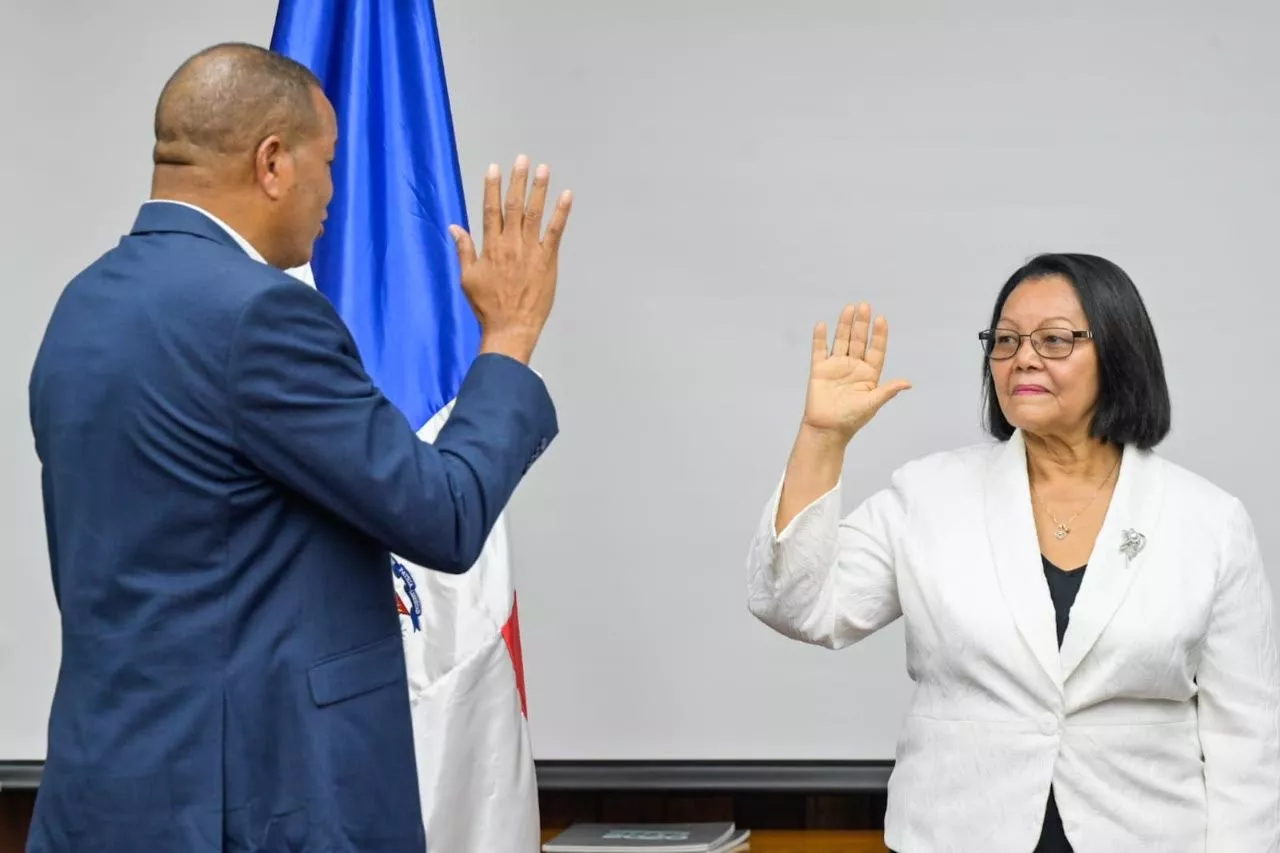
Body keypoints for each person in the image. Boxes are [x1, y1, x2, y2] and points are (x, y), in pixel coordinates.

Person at [25, 43, 570, 852]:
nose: (333, 193)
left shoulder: (82, 307)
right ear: (272, 162)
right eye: (329, 162)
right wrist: (510, 337)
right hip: (251, 805)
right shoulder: (259, 317)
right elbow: (444, 514)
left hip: (104, 800)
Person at [746, 253, 1280, 852]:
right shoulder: (928, 495)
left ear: (1120, 353)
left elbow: (1248, 739)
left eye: (1054, 340)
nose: (1022, 357)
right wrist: (824, 438)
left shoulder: (1208, 520)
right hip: (955, 835)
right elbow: (796, 606)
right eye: (1005, 340)